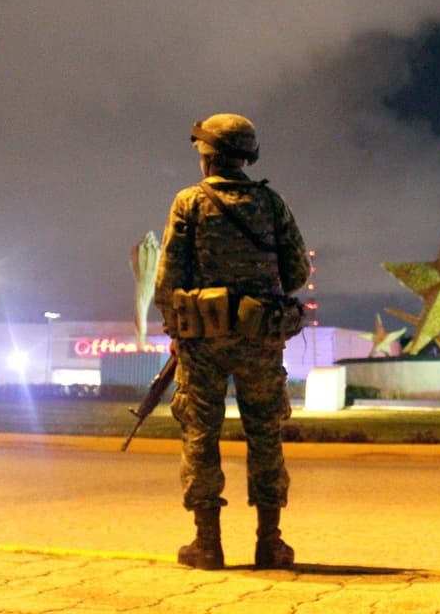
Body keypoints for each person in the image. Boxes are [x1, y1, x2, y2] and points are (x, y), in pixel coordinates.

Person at [154, 113, 311, 570]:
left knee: (201, 434)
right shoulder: (271, 203)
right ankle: (270, 542)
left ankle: (207, 544)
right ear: (246, 156)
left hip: (204, 342)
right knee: (265, 434)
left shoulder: (189, 202)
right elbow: (298, 273)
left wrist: (176, 330)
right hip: (261, 340)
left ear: (207, 157)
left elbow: (168, 281)